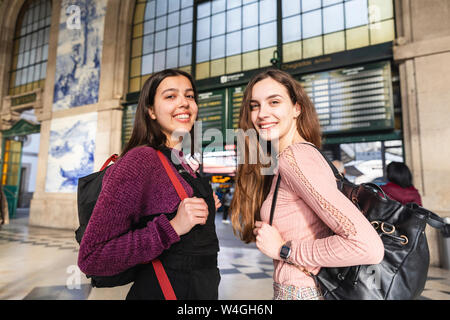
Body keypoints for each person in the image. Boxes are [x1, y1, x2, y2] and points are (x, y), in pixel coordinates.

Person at [230, 69, 384, 300]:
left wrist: (284, 249)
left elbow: (367, 246)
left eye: (274, 102)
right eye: (255, 105)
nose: (262, 113)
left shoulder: (295, 158)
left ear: (297, 108)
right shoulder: (294, 157)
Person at [78, 69, 222, 300]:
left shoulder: (182, 162)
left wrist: (206, 206)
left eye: (190, 96)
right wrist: (173, 227)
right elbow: (92, 258)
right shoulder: (141, 160)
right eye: (170, 96)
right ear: (151, 111)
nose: (184, 103)